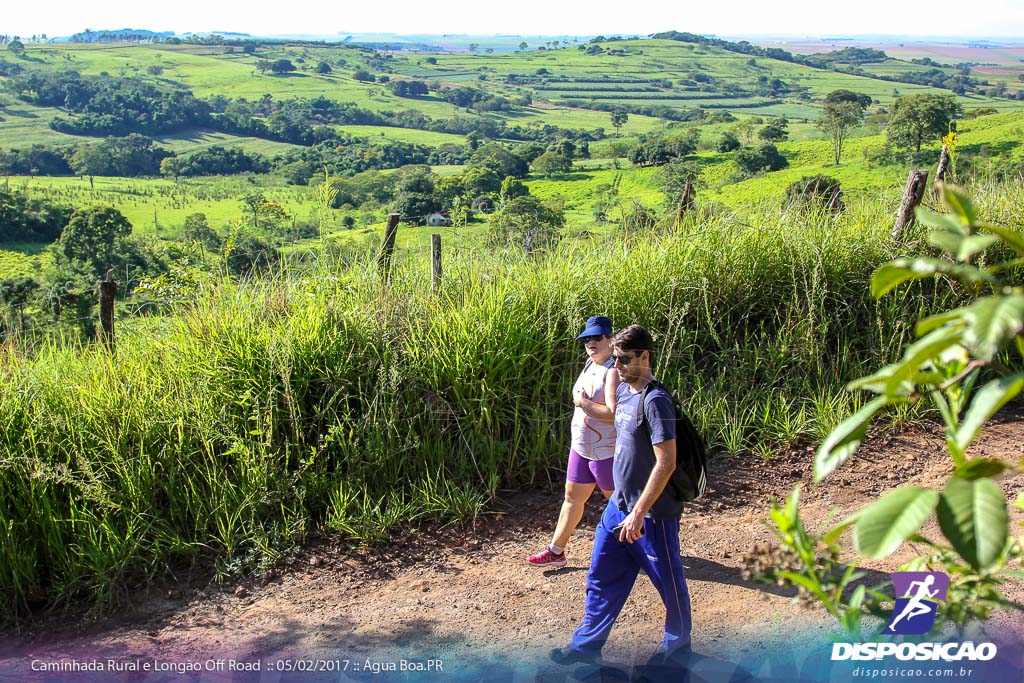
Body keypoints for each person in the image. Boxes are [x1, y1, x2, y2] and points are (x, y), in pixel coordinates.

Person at [550, 324, 692, 671]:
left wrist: (640, 513)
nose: (617, 367)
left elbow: (667, 462)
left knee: (668, 585)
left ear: (645, 356)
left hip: (651, 516)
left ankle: (677, 650)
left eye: (625, 359)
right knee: (601, 576)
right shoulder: (625, 392)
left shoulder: (656, 400)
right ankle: (586, 645)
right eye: (615, 359)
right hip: (618, 509)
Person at [528, 315, 620, 568]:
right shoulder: (590, 365)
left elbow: (614, 415)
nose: (591, 343)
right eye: (586, 339)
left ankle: (646, 549)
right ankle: (556, 551)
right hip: (582, 448)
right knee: (572, 498)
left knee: (620, 504)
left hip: (606, 451)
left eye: (597, 337)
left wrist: (584, 404)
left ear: (610, 339)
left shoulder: (614, 370)